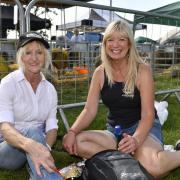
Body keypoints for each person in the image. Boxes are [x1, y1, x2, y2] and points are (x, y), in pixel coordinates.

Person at [63, 20, 180, 179]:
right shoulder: (100, 72)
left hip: (143, 128)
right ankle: (130, 160)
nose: (115, 45)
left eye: (121, 39)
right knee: (75, 141)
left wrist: (136, 140)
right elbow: (89, 110)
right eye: (110, 39)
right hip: (115, 132)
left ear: (130, 43)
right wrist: (71, 131)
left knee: (153, 168)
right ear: (104, 44)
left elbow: (147, 114)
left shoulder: (142, 71)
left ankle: (171, 154)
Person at [0, 32, 63, 180]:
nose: (34, 58)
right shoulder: (8, 84)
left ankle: (38, 173)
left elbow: (52, 127)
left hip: (37, 143)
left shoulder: (50, 90)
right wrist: (31, 145)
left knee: (35, 133)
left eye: (39, 52)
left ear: (45, 57)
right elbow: (6, 129)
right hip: (8, 148)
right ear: (21, 57)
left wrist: (43, 150)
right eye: (28, 52)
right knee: (33, 131)